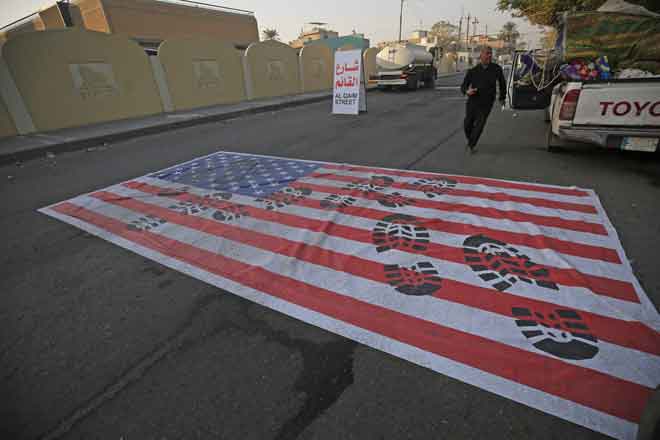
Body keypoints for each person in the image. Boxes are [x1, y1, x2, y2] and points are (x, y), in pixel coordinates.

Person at [460, 46, 507, 153]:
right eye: (487, 53)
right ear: (481, 55)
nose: (489, 55)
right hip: (473, 100)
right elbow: (463, 86)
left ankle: (471, 145)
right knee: (467, 124)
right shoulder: (473, 71)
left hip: (487, 102)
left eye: (490, 53)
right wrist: (467, 91)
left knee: (480, 124)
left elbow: (502, 84)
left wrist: (502, 98)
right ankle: (471, 139)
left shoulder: (496, 69)